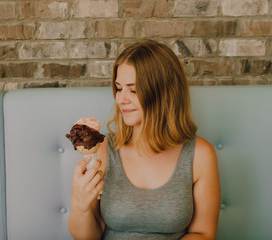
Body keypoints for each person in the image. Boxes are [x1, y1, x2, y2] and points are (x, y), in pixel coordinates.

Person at [68, 40, 221, 240]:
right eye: (119, 88)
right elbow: (88, 237)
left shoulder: (200, 154)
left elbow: (203, 233)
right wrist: (80, 204)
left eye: (133, 90)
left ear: (164, 93)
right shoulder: (105, 149)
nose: (121, 99)